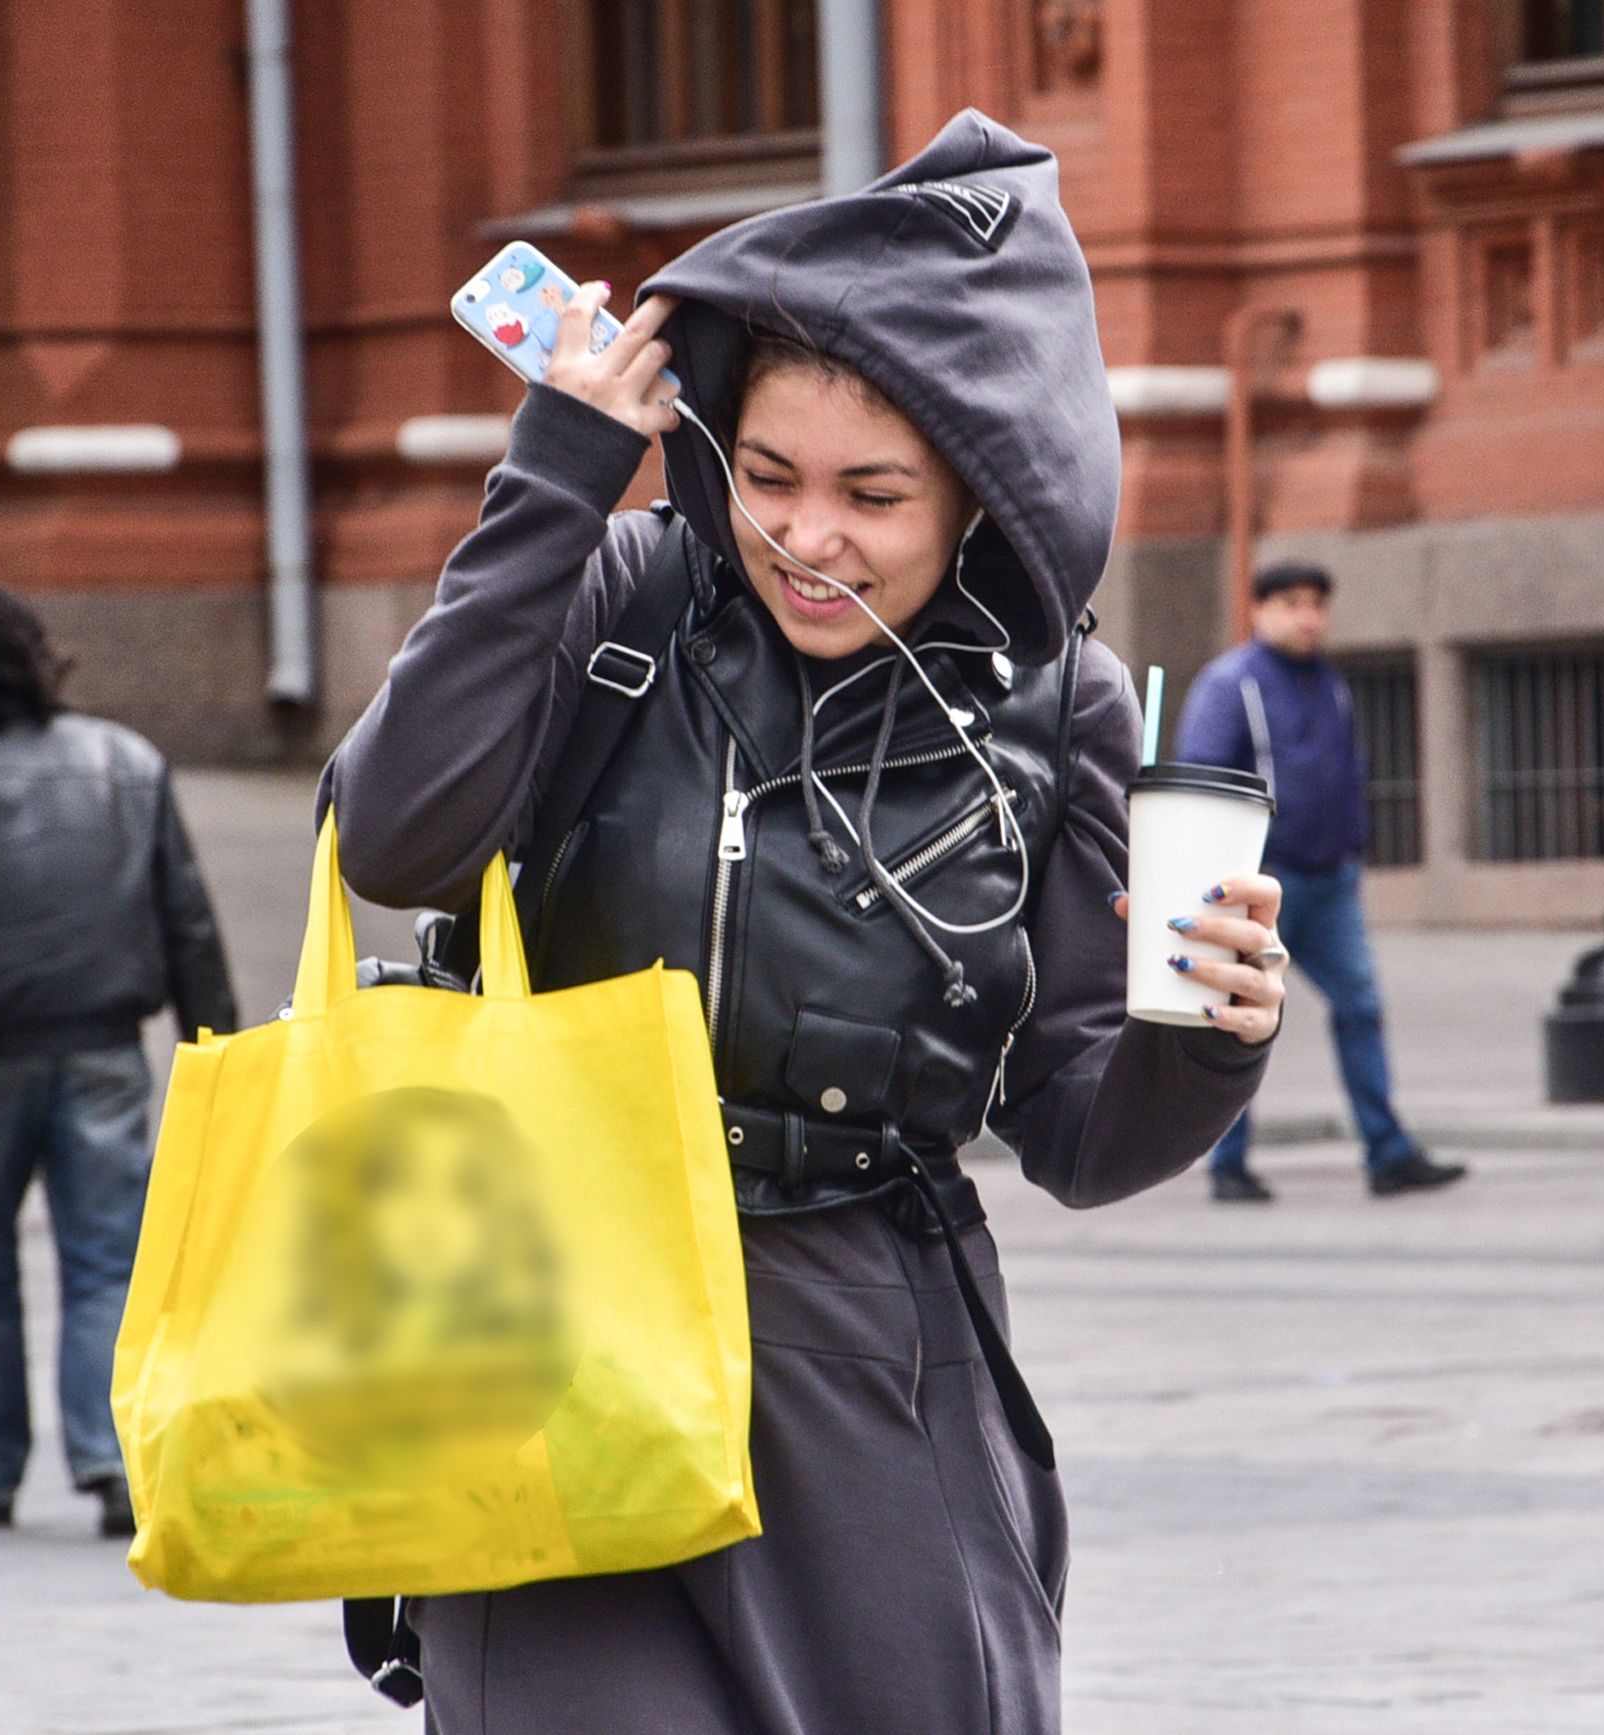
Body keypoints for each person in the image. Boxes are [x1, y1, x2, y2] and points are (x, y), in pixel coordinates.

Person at [322, 112, 1289, 1734]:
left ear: (978, 499)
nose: (806, 536)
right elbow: (400, 839)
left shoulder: (1062, 710)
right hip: (547, 1323)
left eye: (872, 494)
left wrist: (1210, 1036)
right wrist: (552, 478)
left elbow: (1074, 1134)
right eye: (765, 477)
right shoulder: (616, 595)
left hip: (869, 1355)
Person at [0, 586, 239, 1537]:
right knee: (107, 1262)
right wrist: (215, 1042)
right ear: (43, 656)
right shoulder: (128, 764)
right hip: (106, 1047)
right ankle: (112, 1465)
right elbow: (185, 916)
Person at [1173, 562, 1467, 1203]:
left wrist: (1352, 849)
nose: (1308, 617)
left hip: (1330, 882)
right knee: (1241, 1018)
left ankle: (1388, 1154)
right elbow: (1202, 782)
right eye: (1291, 604)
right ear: (1258, 610)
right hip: (1262, 884)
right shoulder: (1232, 685)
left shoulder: (1331, 683)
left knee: (1359, 1007)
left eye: (1317, 605)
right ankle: (1227, 1164)